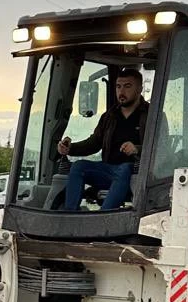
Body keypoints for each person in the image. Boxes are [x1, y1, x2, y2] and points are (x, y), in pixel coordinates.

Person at [58, 68, 149, 212]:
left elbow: (162, 148)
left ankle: (103, 217)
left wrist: (137, 149)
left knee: (124, 168)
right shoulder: (109, 116)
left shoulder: (152, 115)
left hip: (137, 172)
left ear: (139, 89)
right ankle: (70, 215)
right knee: (78, 167)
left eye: (127, 86)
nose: (121, 91)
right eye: (118, 86)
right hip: (108, 169)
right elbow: (94, 143)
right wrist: (70, 148)